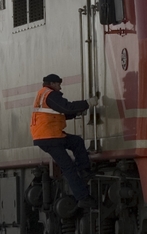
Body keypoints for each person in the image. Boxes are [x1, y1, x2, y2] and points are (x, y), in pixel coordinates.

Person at [30, 74, 98, 209]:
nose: (60, 87)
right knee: (68, 168)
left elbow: (58, 113)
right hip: (50, 138)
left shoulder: (42, 95)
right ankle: (83, 198)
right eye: (59, 84)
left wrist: (77, 113)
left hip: (51, 136)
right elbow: (67, 107)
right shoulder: (50, 94)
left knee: (76, 141)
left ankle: (84, 170)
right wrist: (87, 103)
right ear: (53, 84)